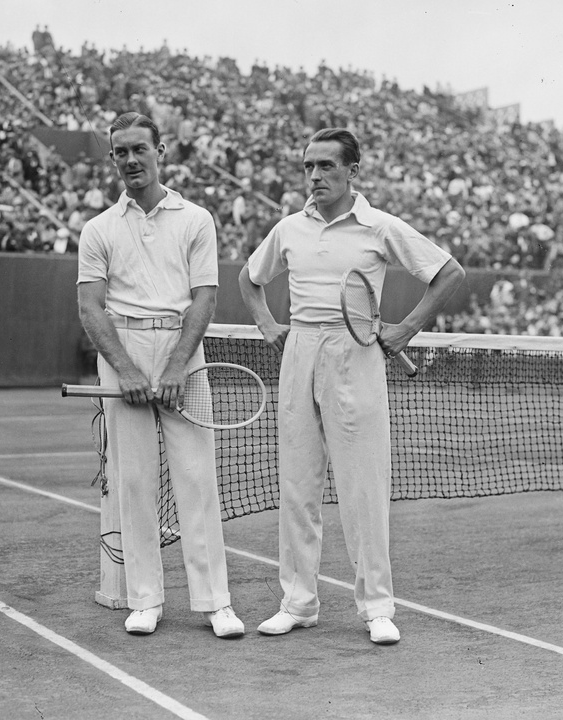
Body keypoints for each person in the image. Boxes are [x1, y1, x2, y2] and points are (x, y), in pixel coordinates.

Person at [238, 128, 465, 645]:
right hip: (299, 353)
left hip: (357, 355)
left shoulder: (381, 227)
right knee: (297, 486)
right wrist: (269, 325)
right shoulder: (289, 228)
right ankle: (298, 603)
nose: (314, 176)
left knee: (364, 487)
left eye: (325, 166)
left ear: (352, 170)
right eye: (308, 167)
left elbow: (449, 273)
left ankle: (377, 608)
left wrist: (407, 328)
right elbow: (249, 281)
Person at [76, 112, 243, 639]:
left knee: (197, 479)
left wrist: (174, 365)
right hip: (122, 353)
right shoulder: (98, 228)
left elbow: (206, 298)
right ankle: (144, 599)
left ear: (160, 150)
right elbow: (89, 307)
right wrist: (125, 368)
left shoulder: (196, 219)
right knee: (134, 482)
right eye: (120, 152)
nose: (130, 160)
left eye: (139, 149)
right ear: (112, 160)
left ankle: (216, 603)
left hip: (182, 354)